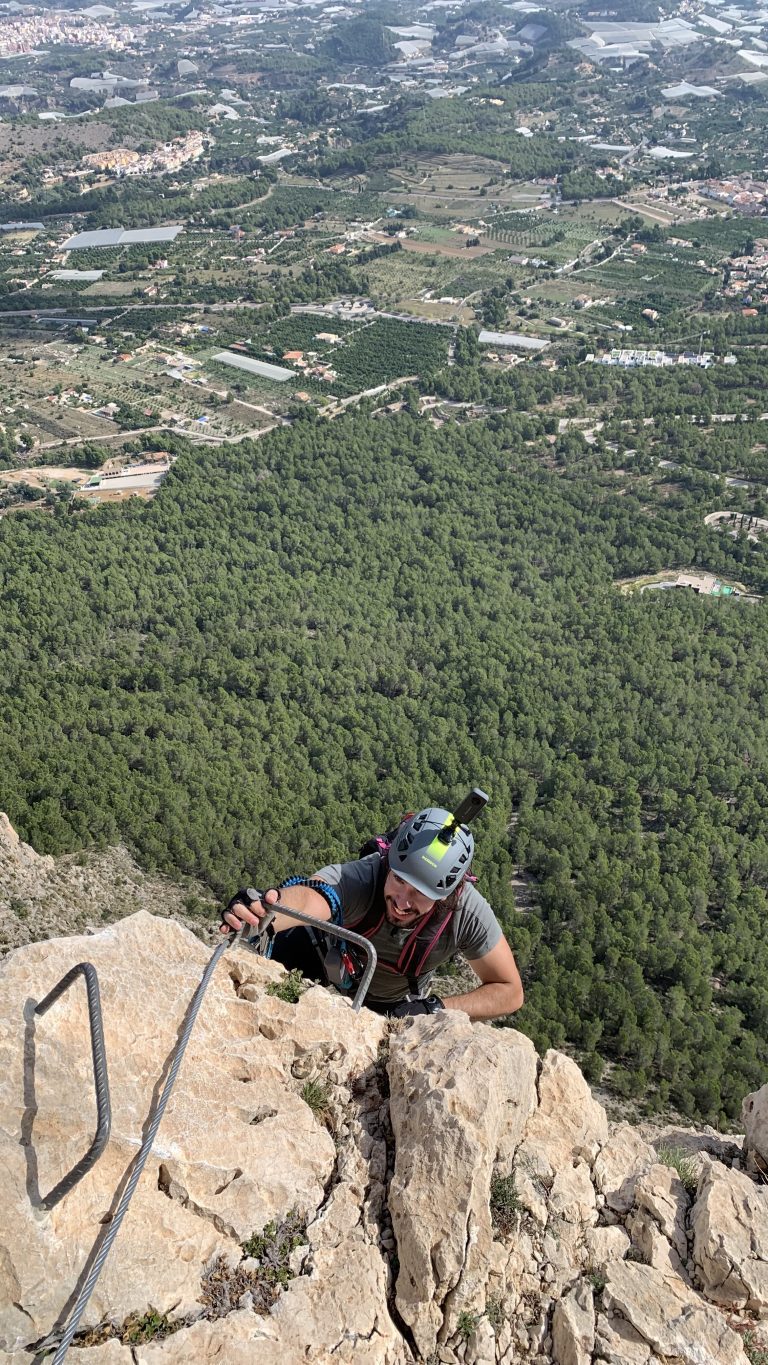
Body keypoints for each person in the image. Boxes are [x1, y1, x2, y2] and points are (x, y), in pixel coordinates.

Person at [221, 800, 524, 1020]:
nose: (403, 901)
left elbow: (510, 991)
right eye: (399, 880)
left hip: (390, 1003)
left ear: (446, 895)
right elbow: (312, 897)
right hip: (316, 955)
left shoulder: (465, 913)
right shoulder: (366, 877)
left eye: (420, 894)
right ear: (388, 864)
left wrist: (436, 1007)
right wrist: (264, 911)